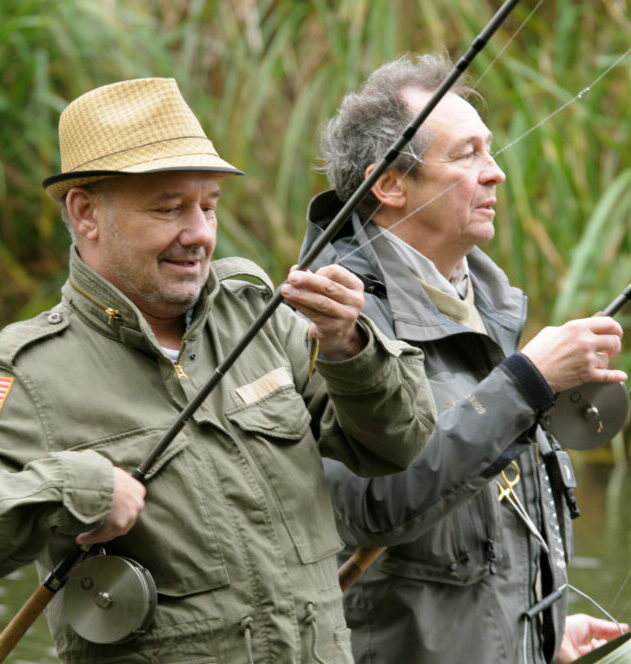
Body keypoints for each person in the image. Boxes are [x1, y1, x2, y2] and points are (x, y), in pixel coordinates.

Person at [0, 77, 437, 663]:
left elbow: (397, 446)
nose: (200, 234)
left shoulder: (259, 313)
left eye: (208, 206)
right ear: (86, 213)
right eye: (169, 209)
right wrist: (68, 492)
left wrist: (347, 346)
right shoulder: (24, 370)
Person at [299, 54, 628, 664]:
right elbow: (375, 507)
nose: (496, 173)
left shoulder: (490, 312)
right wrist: (525, 384)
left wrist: (543, 634)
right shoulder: (333, 326)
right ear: (391, 185)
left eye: (491, 150)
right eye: (467, 154)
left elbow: (482, 553)